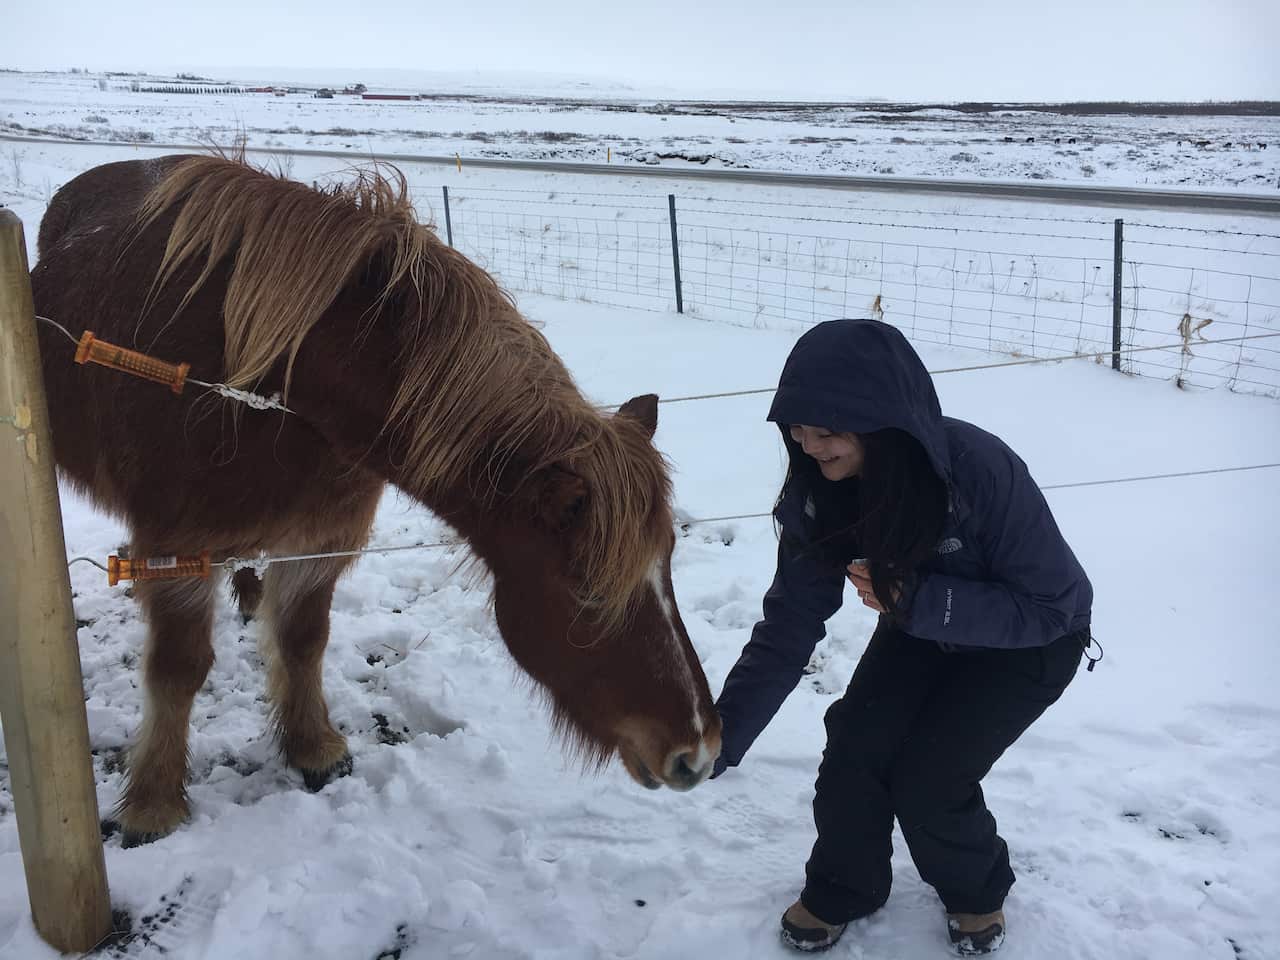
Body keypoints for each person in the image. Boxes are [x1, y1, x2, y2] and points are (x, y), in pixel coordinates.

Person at [712, 318, 1094, 956]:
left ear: (884, 420)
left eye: (827, 430)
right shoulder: (820, 495)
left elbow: (1054, 606)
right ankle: (845, 886)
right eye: (797, 430)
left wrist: (922, 603)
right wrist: (723, 732)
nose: (809, 446)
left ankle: (977, 893)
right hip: (922, 626)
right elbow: (789, 622)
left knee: (931, 777)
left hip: (1030, 644)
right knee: (855, 747)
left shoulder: (975, 469)